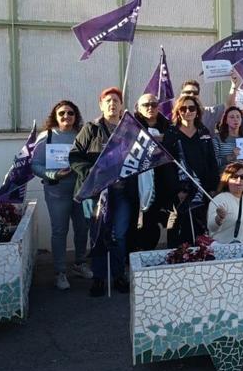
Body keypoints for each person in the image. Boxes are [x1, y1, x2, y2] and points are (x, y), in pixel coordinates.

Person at [70, 87, 137, 297]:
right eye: (108, 101)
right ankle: (99, 278)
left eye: (116, 100)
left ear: (121, 105)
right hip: (96, 192)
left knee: (119, 234)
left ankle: (118, 275)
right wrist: (91, 173)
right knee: (98, 234)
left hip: (122, 192)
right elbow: (74, 156)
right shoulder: (91, 129)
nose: (112, 104)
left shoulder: (130, 129)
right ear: (101, 105)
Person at [31, 100, 91, 291]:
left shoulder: (83, 135)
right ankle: (60, 272)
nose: (66, 116)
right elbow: (35, 165)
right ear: (55, 116)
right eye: (62, 113)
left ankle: (80, 263)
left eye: (70, 113)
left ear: (76, 115)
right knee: (59, 231)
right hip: (57, 191)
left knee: (82, 228)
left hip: (80, 190)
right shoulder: (47, 136)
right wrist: (54, 174)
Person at [161, 95, 219, 246]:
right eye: (183, 108)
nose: (188, 111)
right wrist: (177, 190)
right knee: (178, 229)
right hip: (180, 191)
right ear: (178, 111)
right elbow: (167, 164)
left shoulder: (203, 131)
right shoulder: (171, 133)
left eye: (192, 108)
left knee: (200, 231)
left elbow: (211, 160)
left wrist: (213, 187)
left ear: (197, 111)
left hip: (202, 189)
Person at [132, 93, 172, 251]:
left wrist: (165, 141)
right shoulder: (132, 125)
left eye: (154, 104)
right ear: (139, 108)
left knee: (153, 222)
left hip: (162, 180)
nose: (150, 108)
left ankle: (148, 252)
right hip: (137, 181)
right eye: (146, 105)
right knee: (133, 221)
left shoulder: (168, 126)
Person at [207, 163, 243, 244]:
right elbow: (211, 227)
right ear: (227, 179)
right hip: (224, 250)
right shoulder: (219, 199)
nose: (239, 180)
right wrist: (219, 218)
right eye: (235, 177)